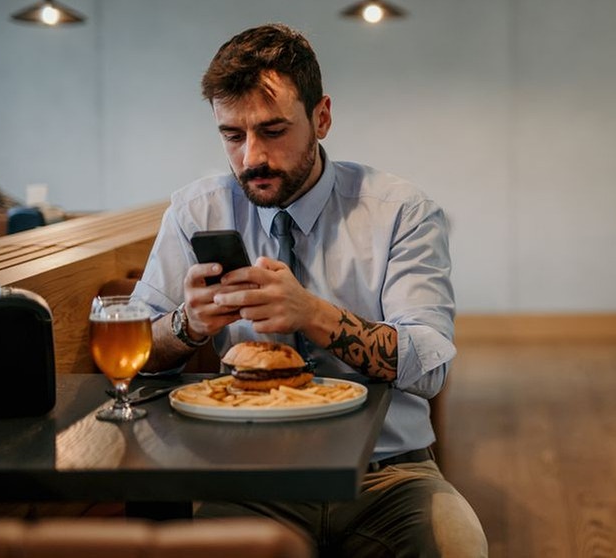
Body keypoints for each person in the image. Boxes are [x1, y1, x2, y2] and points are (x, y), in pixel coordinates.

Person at [133, 23, 487, 557]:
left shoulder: (401, 213)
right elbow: (134, 348)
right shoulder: (196, 211)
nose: (251, 156)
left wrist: (310, 313)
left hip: (389, 478)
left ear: (321, 117)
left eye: (273, 131)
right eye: (233, 135)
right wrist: (189, 324)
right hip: (249, 479)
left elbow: (430, 368)